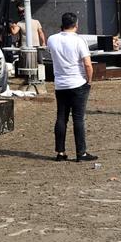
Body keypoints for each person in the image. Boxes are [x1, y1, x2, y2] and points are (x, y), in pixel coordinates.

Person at [46, 12, 96, 162]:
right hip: (77, 82)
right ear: (76, 24)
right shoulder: (79, 40)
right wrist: (89, 80)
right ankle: (81, 152)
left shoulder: (52, 39)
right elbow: (87, 64)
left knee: (61, 117)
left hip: (60, 83)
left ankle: (60, 152)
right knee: (78, 119)